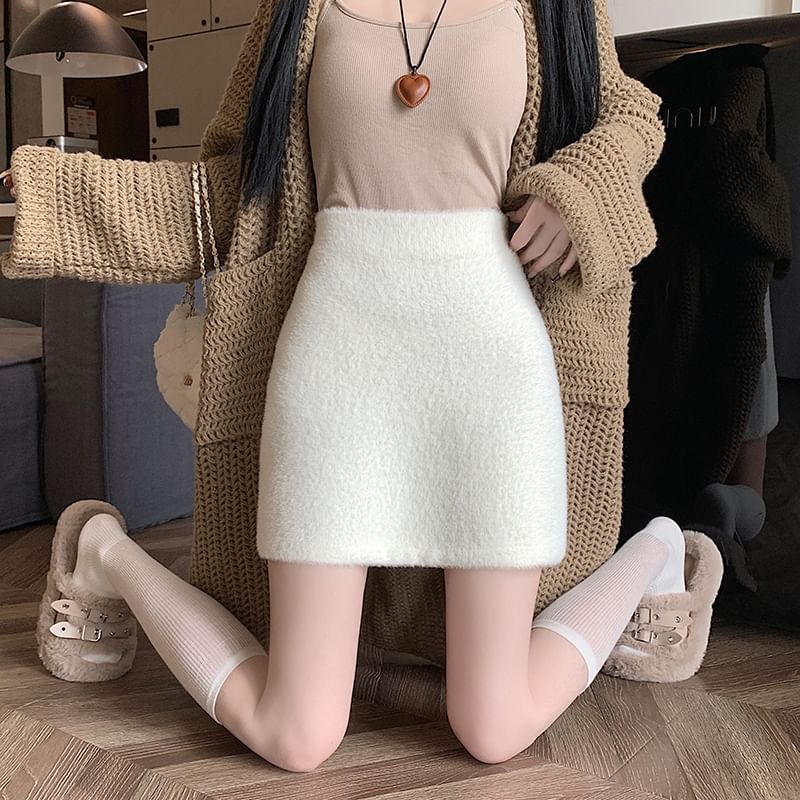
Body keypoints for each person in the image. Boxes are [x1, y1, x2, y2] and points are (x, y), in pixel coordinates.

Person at [5, 0, 722, 774]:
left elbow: (631, 119)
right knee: (297, 733)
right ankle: (104, 551)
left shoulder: (558, 8)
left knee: (494, 727)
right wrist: (37, 199)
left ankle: (657, 551)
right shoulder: (299, 9)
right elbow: (232, 195)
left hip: (495, 375)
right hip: (334, 368)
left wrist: (578, 190)